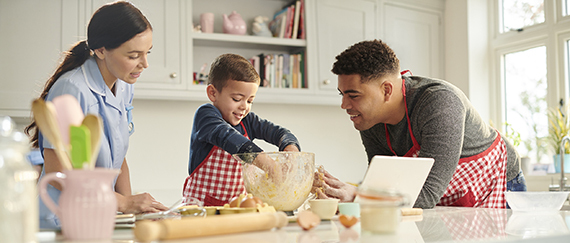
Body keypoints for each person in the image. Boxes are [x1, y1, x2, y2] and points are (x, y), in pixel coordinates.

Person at [312, 39, 526, 209]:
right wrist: (342, 194)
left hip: (497, 183)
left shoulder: (439, 102)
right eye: (342, 94)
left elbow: (427, 194)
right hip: (444, 195)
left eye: (353, 95)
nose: (344, 105)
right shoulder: (369, 120)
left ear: (386, 90)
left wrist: (358, 195)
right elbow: (381, 185)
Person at [25, 1, 168, 223]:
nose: (145, 64)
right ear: (101, 50)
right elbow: (56, 173)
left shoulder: (124, 85)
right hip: (60, 219)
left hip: (98, 216)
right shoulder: (71, 89)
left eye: (147, 53)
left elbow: (117, 158)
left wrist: (131, 212)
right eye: (133, 55)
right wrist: (122, 202)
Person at [182, 53, 301, 206]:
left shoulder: (248, 121)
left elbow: (281, 133)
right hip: (201, 208)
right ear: (213, 93)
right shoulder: (206, 116)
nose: (244, 106)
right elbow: (228, 138)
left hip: (236, 208)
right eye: (237, 99)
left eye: (250, 100)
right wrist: (268, 164)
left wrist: (291, 151)